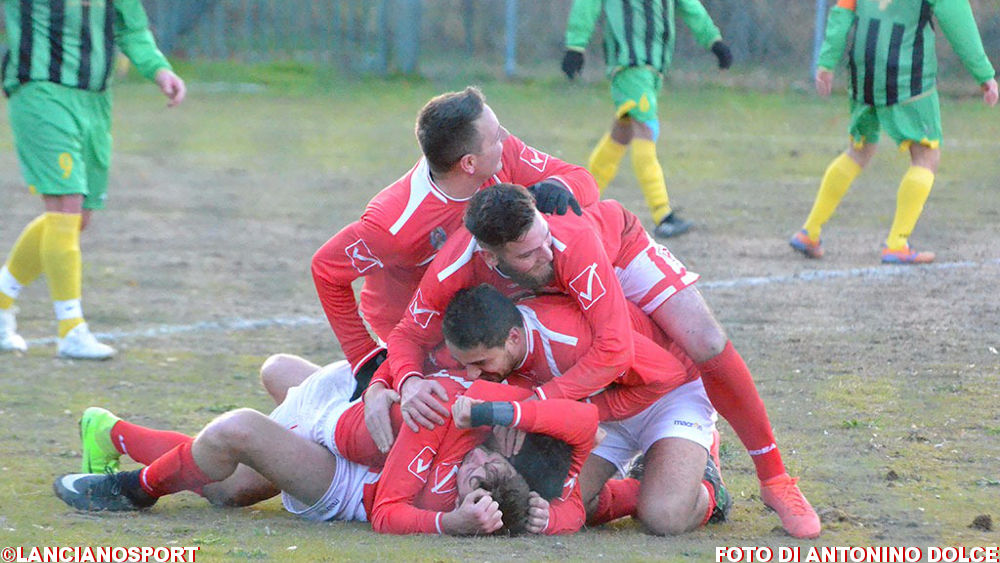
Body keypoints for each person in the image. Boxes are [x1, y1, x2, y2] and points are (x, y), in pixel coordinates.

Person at [386, 183, 821, 538]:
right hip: (604, 393)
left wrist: (539, 407)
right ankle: (648, 471)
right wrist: (401, 383)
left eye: (543, 239)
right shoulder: (456, 272)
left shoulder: (568, 246)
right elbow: (408, 333)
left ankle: (769, 478)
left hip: (625, 271)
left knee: (703, 342)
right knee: (539, 495)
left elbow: (617, 351)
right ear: (490, 257)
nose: (545, 254)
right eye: (528, 253)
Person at [54, 361, 594, 535]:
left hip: (345, 480)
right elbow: (582, 423)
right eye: (487, 458)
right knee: (268, 392)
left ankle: (110, 432)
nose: (475, 459)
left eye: (475, 476)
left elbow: (606, 498)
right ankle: (134, 481)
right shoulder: (493, 425)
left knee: (237, 456)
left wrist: (558, 517)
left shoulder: (478, 509)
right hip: (356, 423)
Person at [310, 86, 598, 398]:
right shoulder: (394, 223)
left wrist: (559, 186)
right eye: (495, 136)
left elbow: (583, 181)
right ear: (469, 164)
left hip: (495, 312)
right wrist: (364, 358)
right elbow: (326, 269)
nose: (505, 136)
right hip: (423, 338)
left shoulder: (504, 154)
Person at [440, 284, 731, 535]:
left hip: (669, 396)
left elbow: (669, 374)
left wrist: (580, 412)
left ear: (514, 338)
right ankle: (647, 475)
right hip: (603, 409)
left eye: (481, 363)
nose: (472, 375)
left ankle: (708, 480)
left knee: (665, 518)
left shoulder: (566, 335)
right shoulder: (498, 344)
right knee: (550, 499)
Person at [0, 0, 186, 358]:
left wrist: (159, 70)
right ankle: (71, 330)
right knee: (66, 206)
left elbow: (131, 28)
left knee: (77, 217)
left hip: (95, 103)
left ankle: (3, 298)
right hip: (40, 91)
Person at [790, 0, 997, 264]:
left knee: (859, 150)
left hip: (863, 71)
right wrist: (984, 73)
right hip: (906, 76)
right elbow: (957, 19)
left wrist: (827, 61)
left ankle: (810, 231)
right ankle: (897, 244)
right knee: (926, 155)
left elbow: (842, 12)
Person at [561, 0, 732, 238]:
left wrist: (714, 41)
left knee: (621, 135)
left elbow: (690, 7)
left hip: (653, 70)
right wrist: (575, 46)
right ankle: (663, 215)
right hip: (629, 67)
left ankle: (576, 203)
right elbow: (587, 5)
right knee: (646, 130)